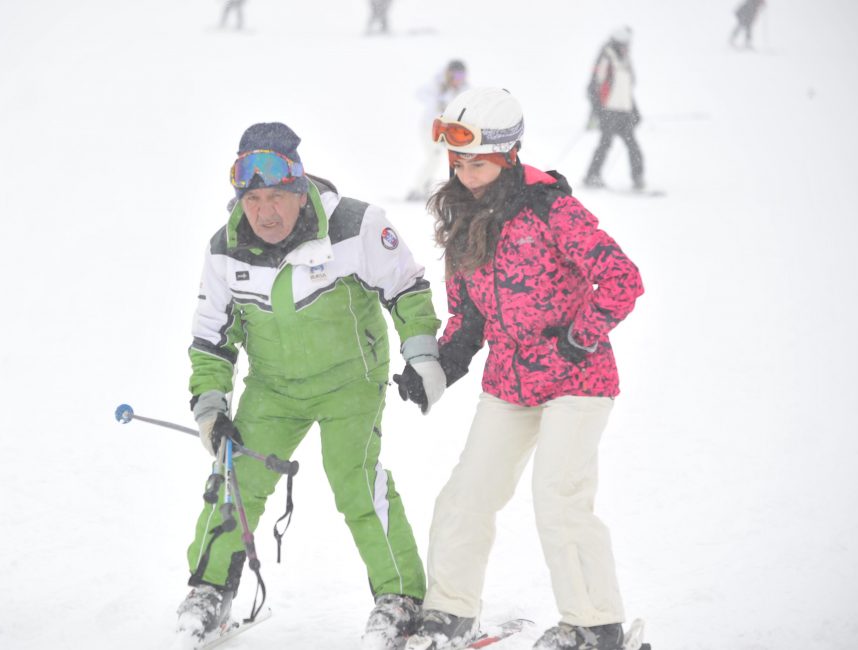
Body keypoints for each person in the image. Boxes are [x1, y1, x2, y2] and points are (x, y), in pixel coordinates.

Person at [177, 122, 446, 649]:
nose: (265, 210)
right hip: (274, 387)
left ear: (300, 189)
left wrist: (421, 353)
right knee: (236, 476)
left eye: (277, 195)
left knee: (354, 480)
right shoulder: (225, 249)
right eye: (252, 198)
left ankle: (400, 597)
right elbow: (211, 338)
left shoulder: (354, 224)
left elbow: (407, 287)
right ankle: (210, 588)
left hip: (351, 378)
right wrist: (212, 407)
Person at [393, 87, 644, 650]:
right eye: (455, 159)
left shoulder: (550, 207)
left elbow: (623, 279)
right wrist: (438, 365)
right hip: (509, 383)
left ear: (508, 154)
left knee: (558, 497)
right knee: (464, 497)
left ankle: (594, 624)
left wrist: (577, 340)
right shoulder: (462, 216)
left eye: (474, 159)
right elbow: (468, 318)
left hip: (577, 381)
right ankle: (449, 614)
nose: (461, 169)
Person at [583, 26, 645, 191]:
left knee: (632, 146)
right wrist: (598, 110)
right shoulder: (607, 57)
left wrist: (635, 111)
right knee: (605, 144)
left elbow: (627, 91)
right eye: (624, 45)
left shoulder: (626, 61)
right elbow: (594, 86)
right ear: (617, 44)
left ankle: (638, 178)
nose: (626, 48)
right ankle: (592, 176)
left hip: (624, 112)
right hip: (609, 111)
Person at [407, 59, 468, 201]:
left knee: (436, 159)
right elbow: (419, 93)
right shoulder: (438, 84)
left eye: (462, 76)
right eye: (456, 76)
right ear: (449, 74)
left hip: (445, 130)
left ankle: (424, 184)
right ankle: (417, 188)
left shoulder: (463, 90)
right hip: (429, 127)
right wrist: (437, 101)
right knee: (433, 158)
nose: (459, 80)